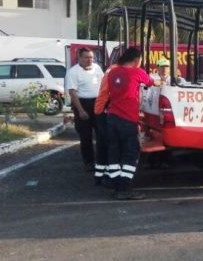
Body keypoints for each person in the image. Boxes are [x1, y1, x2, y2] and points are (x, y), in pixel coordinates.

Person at [105, 47, 160, 200]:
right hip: (128, 119)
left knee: (114, 153)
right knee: (131, 154)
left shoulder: (112, 72)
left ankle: (116, 185)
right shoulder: (137, 72)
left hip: (112, 117)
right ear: (136, 60)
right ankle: (124, 189)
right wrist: (159, 82)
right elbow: (151, 82)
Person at [65, 48, 104, 172]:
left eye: (91, 57)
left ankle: (102, 160)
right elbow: (72, 92)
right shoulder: (73, 72)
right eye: (86, 57)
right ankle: (89, 162)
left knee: (102, 134)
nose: (89, 60)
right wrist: (81, 110)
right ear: (79, 58)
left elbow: (104, 85)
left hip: (98, 103)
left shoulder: (97, 68)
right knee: (86, 136)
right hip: (83, 104)